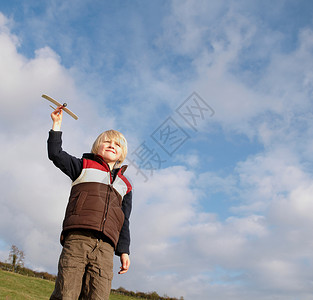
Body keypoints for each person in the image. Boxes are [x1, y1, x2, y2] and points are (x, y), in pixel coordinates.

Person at [48, 106, 132, 300]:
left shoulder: (125, 185)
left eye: (117, 144)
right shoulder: (82, 166)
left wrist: (124, 251)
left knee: (98, 296)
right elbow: (55, 154)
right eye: (107, 142)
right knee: (66, 294)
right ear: (97, 147)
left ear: (122, 153)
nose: (112, 145)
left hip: (106, 248)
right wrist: (57, 125)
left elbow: (124, 220)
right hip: (78, 239)